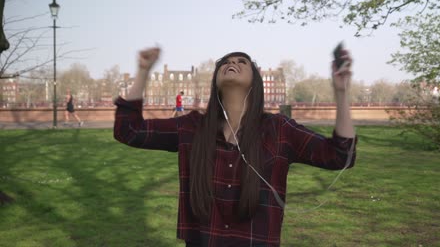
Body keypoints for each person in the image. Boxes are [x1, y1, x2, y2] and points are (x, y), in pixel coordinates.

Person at [113, 46, 357, 247]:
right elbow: (129, 131)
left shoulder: (279, 129)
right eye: (225, 62)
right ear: (216, 79)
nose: (233, 63)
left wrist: (341, 93)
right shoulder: (191, 127)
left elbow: (339, 155)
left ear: (255, 80)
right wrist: (143, 71)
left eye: (242, 61)